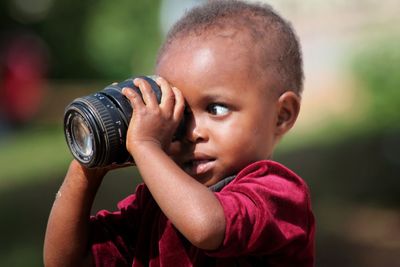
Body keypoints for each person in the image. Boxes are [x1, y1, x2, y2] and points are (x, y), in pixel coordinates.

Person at [44, 1, 315, 266]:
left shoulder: (276, 194)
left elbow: (207, 227)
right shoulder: (154, 208)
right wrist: (88, 168)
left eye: (216, 108)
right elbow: (67, 261)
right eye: (179, 113)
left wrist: (145, 145)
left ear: (282, 115)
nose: (192, 133)